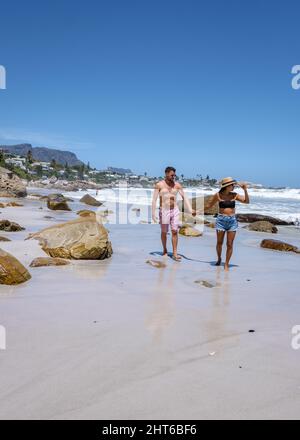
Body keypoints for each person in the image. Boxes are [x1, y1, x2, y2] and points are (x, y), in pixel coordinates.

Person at [152, 166, 195, 261]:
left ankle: (175, 253)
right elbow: (154, 200)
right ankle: (165, 250)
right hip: (164, 210)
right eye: (172, 175)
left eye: (174, 175)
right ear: (166, 174)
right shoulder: (159, 185)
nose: (173, 177)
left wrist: (190, 209)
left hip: (175, 210)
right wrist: (153, 213)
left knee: (175, 231)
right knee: (164, 232)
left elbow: (185, 197)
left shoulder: (177, 185)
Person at [206, 177, 249, 271]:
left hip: (232, 221)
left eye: (233, 184)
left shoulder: (234, 195)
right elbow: (209, 206)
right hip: (221, 221)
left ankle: (226, 263)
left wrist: (245, 190)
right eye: (232, 185)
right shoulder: (218, 195)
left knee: (229, 244)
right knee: (219, 243)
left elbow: (246, 201)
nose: (234, 186)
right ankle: (219, 258)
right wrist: (197, 211)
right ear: (227, 186)